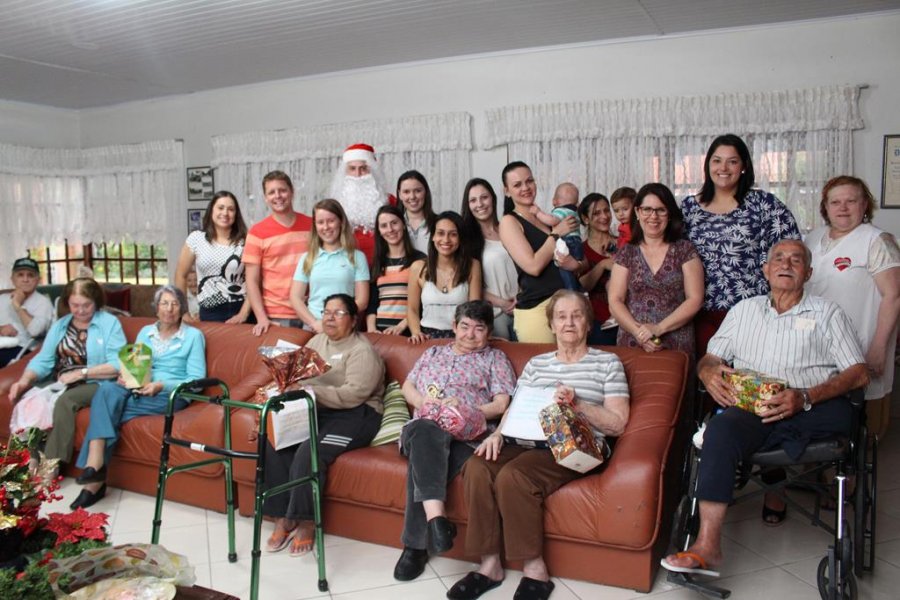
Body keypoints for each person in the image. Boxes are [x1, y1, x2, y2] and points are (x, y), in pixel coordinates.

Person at [661, 239, 868, 577]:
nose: (786, 264)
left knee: (839, 417)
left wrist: (804, 396)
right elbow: (711, 358)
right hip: (752, 408)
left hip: (811, 406)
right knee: (721, 430)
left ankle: (771, 451)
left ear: (808, 272)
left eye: (796, 260)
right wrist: (709, 371)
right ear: (766, 270)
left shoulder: (828, 313)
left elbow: (858, 373)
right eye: (779, 259)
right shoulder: (744, 310)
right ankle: (707, 545)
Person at [448, 290, 629, 600]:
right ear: (552, 324)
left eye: (576, 316)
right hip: (529, 440)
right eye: (561, 316)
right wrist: (497, 435)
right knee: (477, 465)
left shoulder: (607, 363)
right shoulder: (537, 363)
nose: (569, 323)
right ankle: (489, 565)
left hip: (578, 445)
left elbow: (618, 422)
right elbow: (515, 408)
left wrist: (579, 403)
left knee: (515, 475)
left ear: (588, 323)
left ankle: (535, 570)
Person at [392, 300, 516, 582]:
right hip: (421, 428)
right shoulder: (433, 352)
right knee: (425, 431)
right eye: (464, 327)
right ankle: (434, 523)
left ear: (489, 332)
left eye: (479, 328)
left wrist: (463, 411)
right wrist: (427, 404)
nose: (470, 334)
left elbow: (500, 404)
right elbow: (407, 386)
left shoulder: (495, 359)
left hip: (466, 436)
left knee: (423, 462)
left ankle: (416, 545)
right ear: (454, 327)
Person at [264, 294, 384, 556]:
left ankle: (307, 520)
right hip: (319, 408)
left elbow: (354, 394)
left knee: (311, 450)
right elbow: (299, 374)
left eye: (338, 313)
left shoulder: (362, 351)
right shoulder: (317, 341)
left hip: (357, 414)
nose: (330, 317)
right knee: (274, 438)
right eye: (326, 312)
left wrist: (309, 392)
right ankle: (283, 516)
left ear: (353, 320)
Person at [71, 285, 206, 510]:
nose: (169, 309)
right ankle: (96, 466)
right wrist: (128, 377)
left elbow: (197, 380)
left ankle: (93, 479)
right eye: (164, 303)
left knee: (105, 410)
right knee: (107, 390)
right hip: (138, 389)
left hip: (169, 395)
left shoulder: (193, 337)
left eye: (175, 304)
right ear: (156, 308)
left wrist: (161, 385)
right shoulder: (146, 332)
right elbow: (136, 366)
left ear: (182, 308)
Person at [682, 134, 801, 355]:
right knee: (706, 380)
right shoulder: (688, 209)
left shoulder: (765, 204)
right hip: (699, 311)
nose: (723, 168)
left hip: (752, 312)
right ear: (708, 165)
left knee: (747, 380)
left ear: (744, 166)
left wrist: (784, 305)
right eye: (717, 160)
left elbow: (790, 256)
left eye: (732, 161)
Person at [805, 176, 900, 439]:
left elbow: (894, 296)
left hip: (861, 340)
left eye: (851, 201)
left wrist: (879, 347)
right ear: (825, 207)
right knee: (819, 403)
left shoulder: (877, 241)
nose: (842, 208)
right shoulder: (812, 239)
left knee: (858, 413)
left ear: (864, 204)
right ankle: (821, 469)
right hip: (817, 341)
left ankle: (849, 470)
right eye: (835, 202)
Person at [7, 278, 126, 464]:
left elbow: (118, 364)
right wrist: (24, 380)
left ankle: (52, 465)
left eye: (86, 305)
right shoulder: (61, 325)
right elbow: (43, 359)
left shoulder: (109, 324)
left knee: (65, 401)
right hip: (61, 380)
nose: (80, 310)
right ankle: (27, 464)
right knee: (30, 400)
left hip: (96, 382)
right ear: (67, 303)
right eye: (75, 305)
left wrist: (82, 373)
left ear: (96, 301)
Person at [608, 183, 704, 356]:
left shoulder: (685, 250)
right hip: (633, 341)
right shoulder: (626, 252)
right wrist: (640, 333)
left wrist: (659, 328)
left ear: (669, 214)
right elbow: (615, 300)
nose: (653, 216)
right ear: (637, 213)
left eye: (661, 210)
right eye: (647, 209)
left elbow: (695, 299)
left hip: (676, 343)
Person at [498, 162, 582, 343]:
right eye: (517, 184)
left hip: (566, 306)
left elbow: (576, 260)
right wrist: (557, 233)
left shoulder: (546, 218)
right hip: (537, 309)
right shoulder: (509, 222)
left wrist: (577, 264)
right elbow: (533, 266)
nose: (526, 187)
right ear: (506, 191)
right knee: (545, 369)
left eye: (529, 181)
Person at [243, 171, 313, 336]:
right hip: (276, 316)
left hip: (312, 312)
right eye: (271, 192)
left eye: (282, 190)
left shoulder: (312, 225)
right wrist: (261, 318)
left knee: (313, 362)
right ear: (265, 198)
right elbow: (251, 281)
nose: (278, 196)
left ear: (291, 192)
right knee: (282, 362)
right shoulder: (257, 232)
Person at [290, 199, 369, 333]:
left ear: (341, 222)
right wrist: (314, 323)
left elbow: (362, 300)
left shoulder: (357, 257)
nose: (326, 227)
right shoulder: (307, 258)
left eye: (331, 221)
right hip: (313, 328)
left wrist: (337, 319)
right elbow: (295, 297)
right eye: (320, 222)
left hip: (343, 327)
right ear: (315, 226)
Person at [175, 191, 251, 323]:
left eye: (231, 209)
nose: (225, 213)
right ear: (211, 211)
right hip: (210, 311)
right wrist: (183, 312)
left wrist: (243, 313)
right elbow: (180, 275)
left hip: (243, 309)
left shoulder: (247, 240)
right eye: (220, 208)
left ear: (236, 214)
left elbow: (255, 281)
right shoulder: (196, 239)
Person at [407, 211, 482, 342]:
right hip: (426, 338)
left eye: (453, 234)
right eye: (440, 233)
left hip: (461, 338)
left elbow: (474, 311)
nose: (446, 240)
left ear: (460, 238)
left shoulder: (473, 266)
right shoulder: (418, 267)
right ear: (433, 237)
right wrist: (416, 332)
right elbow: (412, 309)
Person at [460, 178, 518, 340]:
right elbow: (466, 283)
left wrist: (520, 297)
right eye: (473, 200)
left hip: (524, 307)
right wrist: (503, 303)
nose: (480, 204)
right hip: (494, 314)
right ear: (468, 205)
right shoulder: (466, 240)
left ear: (493, 198)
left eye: (484, 197)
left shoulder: (509, 228)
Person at [329, 143, 395, 263]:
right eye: (352, 168)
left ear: (374, 171)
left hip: (383, 266)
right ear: (344, 172)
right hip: (347, 268)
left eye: (364, 168)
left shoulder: (389, 201)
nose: (358, 175)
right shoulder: (335, 205)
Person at [366, 205, 426, 334]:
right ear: (379, 232)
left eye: (394, 223)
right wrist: (372, 329)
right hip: (379, 332)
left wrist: (402, 326)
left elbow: (423, 303)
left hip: (408, 331)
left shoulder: (420, 260)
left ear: (403, 225)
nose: (390, 229)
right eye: (384, 226)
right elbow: (372, 304)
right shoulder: (378, 263)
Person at [578, 194, 618, 345]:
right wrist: (602, 265)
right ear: (586, 219)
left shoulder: (623, 243)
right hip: (596, 322)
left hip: (627, 320)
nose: (604, 216)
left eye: (606, 211)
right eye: (596, 213)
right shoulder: (580, 249)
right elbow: (582, 286)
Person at [0, 257, 53, 367]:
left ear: (37, 279)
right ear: (12, 279)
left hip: (25, 351)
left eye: (30, 275)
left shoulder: (43, 302)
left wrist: (18, 306)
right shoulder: (2, 299)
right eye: (20, 275)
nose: (25, 279)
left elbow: (35, 331)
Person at [531, 183, 585, 291]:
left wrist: (538, 212)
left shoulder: (560, 210)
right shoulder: (574, 213)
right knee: (573, 274)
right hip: (577, 244)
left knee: (565, 272)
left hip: (568, 243)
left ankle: (572, 292)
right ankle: (579, 290)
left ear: (554, 201)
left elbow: (552, 220)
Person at [396, 170, 437, 255]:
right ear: (399, 194)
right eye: (406, 192)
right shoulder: (394, 226)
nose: (412, 197)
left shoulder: (439, 223)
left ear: (425, 192)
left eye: (418, 191)